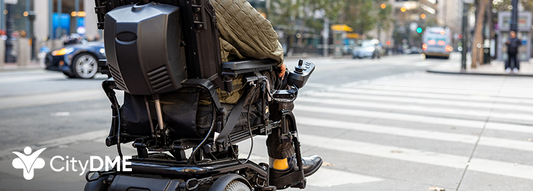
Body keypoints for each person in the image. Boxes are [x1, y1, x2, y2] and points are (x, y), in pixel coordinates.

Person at [209, 0, 322, 181]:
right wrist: (278, 59)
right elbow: (266, 40)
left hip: (157, 110)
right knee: (279, 77)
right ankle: (282, 164)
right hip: (210, 101)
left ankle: (219, 156)